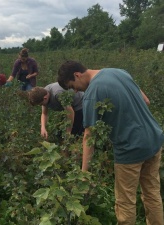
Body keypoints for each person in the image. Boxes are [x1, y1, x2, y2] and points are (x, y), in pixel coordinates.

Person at [57, 60, 164, 225]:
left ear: (77, 75)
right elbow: (146, 101)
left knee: (125, 202)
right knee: (152, 194)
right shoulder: (119, 71)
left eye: (73, 86)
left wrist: (84, 174)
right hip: (154, 140)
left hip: (130, 149)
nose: (75, 90)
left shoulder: (92, 93)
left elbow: (88, 135)